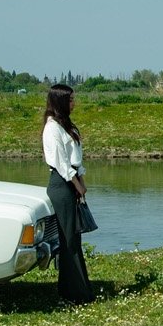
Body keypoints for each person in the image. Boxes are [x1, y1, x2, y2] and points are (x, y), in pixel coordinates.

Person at [41, 83, 95, 304]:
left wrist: (81, 180)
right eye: (71, 99)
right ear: (61, 101)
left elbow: (75, 159)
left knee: (74, 238)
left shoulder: (66, 125)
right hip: (61, 184)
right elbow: (60, 162)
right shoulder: (52, 128)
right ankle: (73, 293)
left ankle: (76, 290)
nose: (74, 103)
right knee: (68, 240)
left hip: (71, 182)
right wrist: (76, 183)